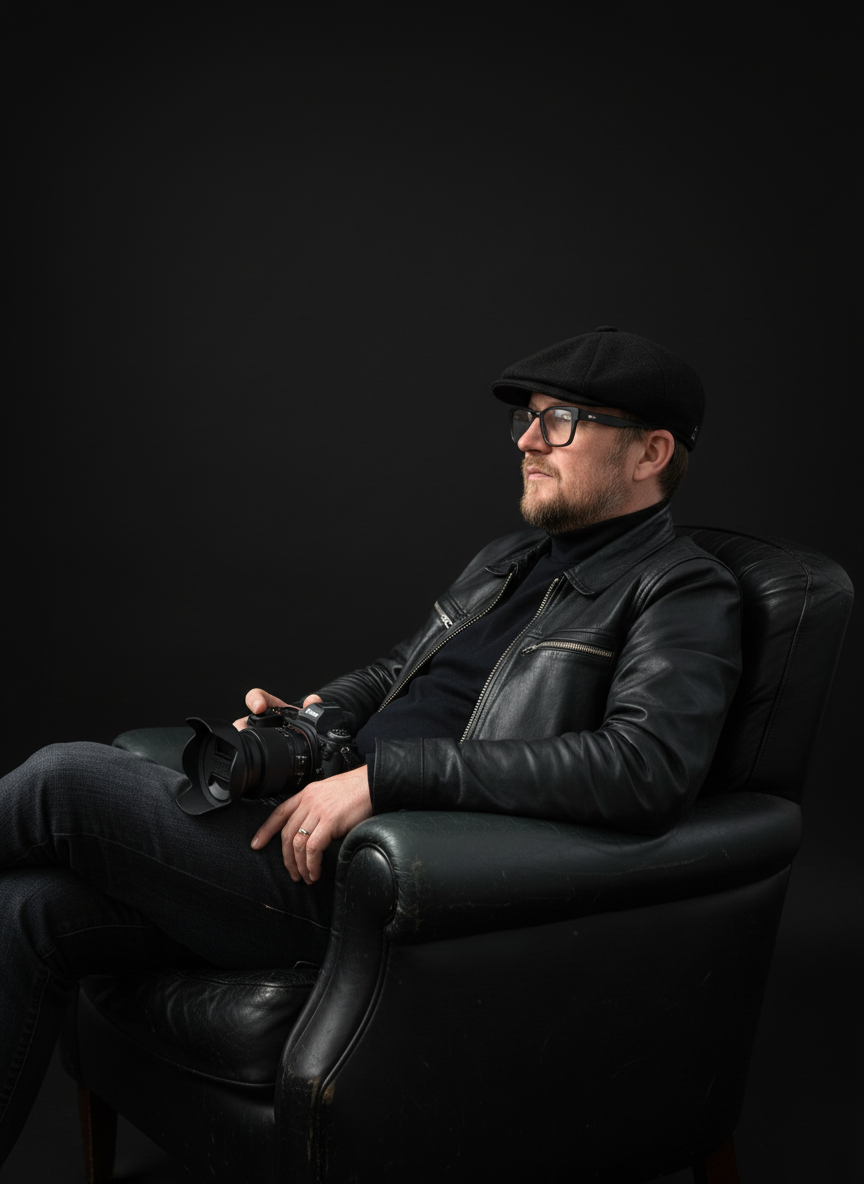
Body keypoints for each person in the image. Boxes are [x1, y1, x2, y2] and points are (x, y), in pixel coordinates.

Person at [0, 326, 742, 1162]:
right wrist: (314, 721)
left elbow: (647, 769)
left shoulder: (680, 588)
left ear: (650, 452)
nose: (529, 441)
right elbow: (402, 670)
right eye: (528, 419)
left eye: (562, 420)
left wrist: (385, 780)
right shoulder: (509, 559)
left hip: (390, 878)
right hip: (320, 817)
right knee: (28, 909)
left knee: (63, 778)